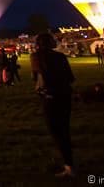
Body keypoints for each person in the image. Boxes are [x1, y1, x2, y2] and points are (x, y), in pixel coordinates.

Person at [31, 33, 75, 178]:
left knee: (56, 132)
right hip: (65, 96)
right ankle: (69, 163)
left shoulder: (36, 57)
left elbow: (36, 76)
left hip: (50, 97)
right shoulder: (61, 57)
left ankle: (68, 166)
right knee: (65, 130)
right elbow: (70, 78)